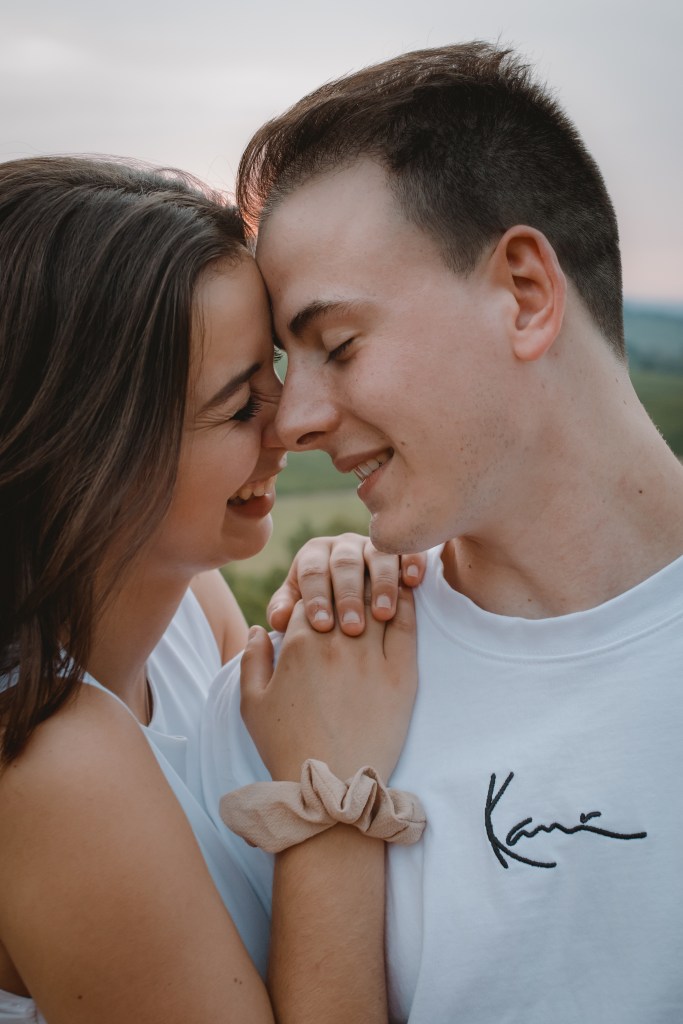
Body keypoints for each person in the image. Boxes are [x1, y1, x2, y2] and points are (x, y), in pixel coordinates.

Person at [203, 42, 683, 1022]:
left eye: (338, 345)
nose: (294, 424)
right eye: (289, 365)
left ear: (523, 293)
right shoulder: (294, 692)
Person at [0, 155, 425, 1024]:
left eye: (277, 371)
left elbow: (289, 715)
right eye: (240, 406)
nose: (293, 423)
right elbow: (317, 749)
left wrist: (331, 607)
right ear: (88, 448)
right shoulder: (45, 759)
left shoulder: (190, 609)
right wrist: (329, 795)